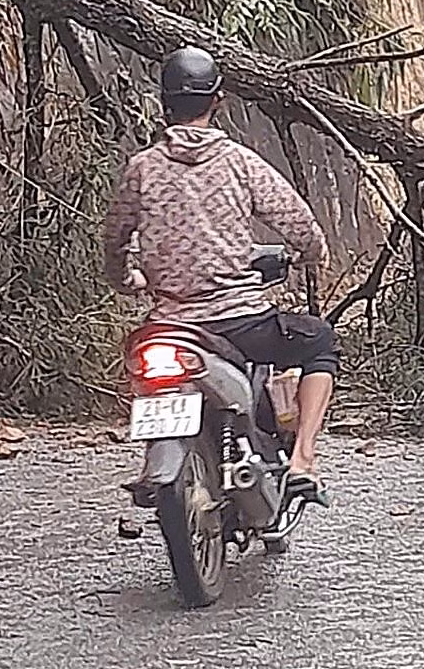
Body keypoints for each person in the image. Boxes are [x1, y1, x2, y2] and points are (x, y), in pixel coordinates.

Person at [101, 45, 335, 503]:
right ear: (218, 101)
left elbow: (113, 241)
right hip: (240, 322)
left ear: (165, 103)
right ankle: (304, 460)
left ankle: (160, 459)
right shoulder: (239, 162)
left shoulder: (141, 169)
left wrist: (126, 278)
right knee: (319, 341)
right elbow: (296, 220)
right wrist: (313, 253)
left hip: (168, 327)